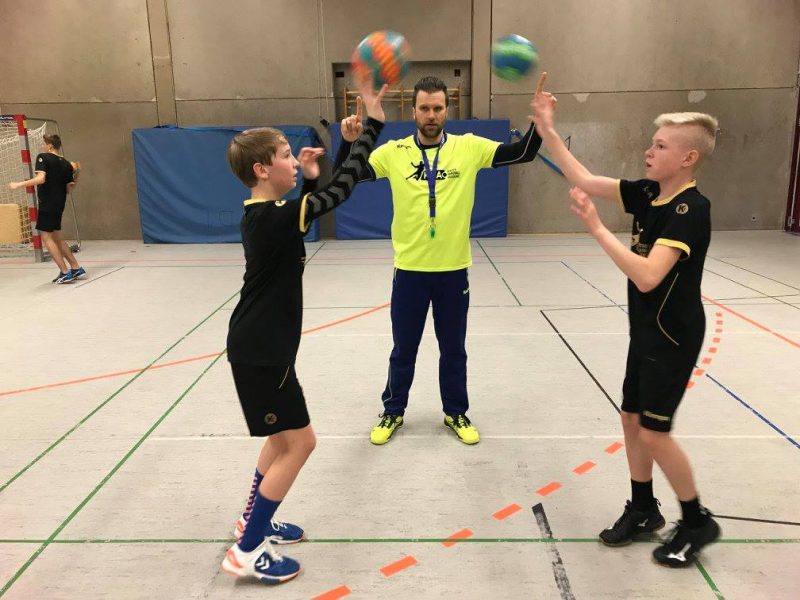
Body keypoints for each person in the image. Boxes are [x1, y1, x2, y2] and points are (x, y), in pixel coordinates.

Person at [530, 72, 721, 567]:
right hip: (646, 333)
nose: (649, 151)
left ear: (688, 158)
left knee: (655, 432)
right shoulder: (647, 192)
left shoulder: (689, 209)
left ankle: (697, 521)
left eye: (659, 146)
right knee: (632, 418)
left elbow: (648, 276)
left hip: (673, 336)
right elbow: (585, 179)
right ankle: (643, 509)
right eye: (651, 143)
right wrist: (549, 129)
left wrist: (595, 227)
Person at [220, 76, 386, 585]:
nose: (296, 160)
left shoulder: (268, 212)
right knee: (301, 443)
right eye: (288, 155)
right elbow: (341, 191)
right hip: (262, 352)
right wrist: (368, 129)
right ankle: (247, 549)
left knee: (279, 438)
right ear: (261, 169)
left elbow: (315, 201)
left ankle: (253, 519)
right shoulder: (271, 217)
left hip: (263, 348)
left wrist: (315, 173)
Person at [335, 75, 543, 445]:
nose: (431, 115)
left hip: (452, 272)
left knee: (453, 350)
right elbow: (345, 178)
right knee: (403, 350)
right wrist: (348, 145)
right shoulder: (393, 152)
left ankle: (456, 413)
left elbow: (522, 152)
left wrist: (539, 122)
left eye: (438, 108)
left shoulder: (469, 147)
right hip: (410, 272)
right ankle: (393, 411)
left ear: (448, 109)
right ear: (413, 110)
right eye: (425, 108)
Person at [8, 134, 85, 283]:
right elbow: (69, 189)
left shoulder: (43, 157)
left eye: (44, 144)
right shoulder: (67, 164)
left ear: (49, 145)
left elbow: (40, 179)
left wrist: (18, 184)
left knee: (47, 238)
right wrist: (77, 173)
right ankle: (76, 267)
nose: (42, 146)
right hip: (59, 204)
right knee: (57, 237)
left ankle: (64, 272)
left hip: (48, 203)